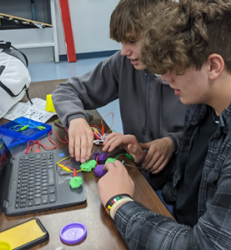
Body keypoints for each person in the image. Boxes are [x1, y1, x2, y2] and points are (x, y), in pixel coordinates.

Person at [98, 0, 231, 249]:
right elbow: (192, 177)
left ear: (213, 66)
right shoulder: (204, 105)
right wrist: (143, 158)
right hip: (172, 213)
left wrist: (119, 203)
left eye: (175, 68)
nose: (166, 78)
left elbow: (203, 245)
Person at [52, 0, 187, 174]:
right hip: (139, 171)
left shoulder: (189, 73)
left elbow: (211, 137)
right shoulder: (124, 64)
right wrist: (76, 119)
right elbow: (65, 91)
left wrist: (173, 142)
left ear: (160, 34)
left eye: (131, 41)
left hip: (180, 183)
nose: (124, 51)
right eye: (121, 42)